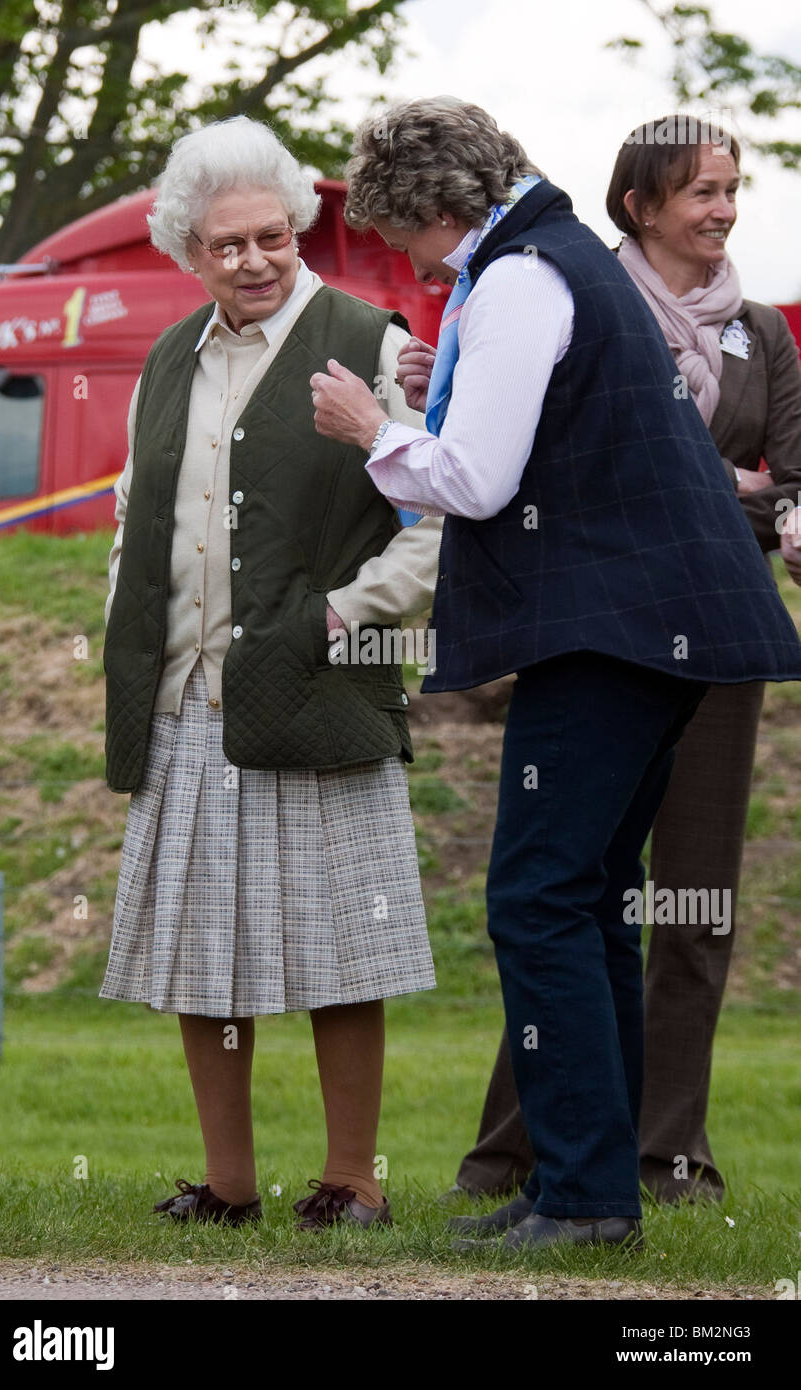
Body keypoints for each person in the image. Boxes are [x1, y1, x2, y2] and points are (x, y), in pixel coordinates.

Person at [310, 96, 801, 1253]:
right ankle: (586, 1185)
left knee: (537, 899)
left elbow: (472, 480)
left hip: (610, 629)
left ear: (440, 207)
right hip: (657, 622)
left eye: (403, 235)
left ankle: (583, 1194)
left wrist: (367, 424)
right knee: (588, 901)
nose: (407, 259)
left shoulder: (521, 278)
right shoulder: (560, 260)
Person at [446, 115, 801, 1216]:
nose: (724, 209)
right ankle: (518, 1157)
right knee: (571, 892)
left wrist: (750, 490)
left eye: (731, 189)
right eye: (700, 190)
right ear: (638, 204)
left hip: (715, 633)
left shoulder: (760, 334)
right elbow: (530, 446)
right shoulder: (569, 292)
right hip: (595, 626)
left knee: (687, 902)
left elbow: (788, 479)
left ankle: (664, 1159)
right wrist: (723, 484)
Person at [99, 114, 443, 1232]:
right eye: (224, 244)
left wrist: (349, 613)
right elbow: (131, 520)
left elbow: (438, 515)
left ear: (298, 225)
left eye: (269, 237)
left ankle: (355, 1182)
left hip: (323, 688)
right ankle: (230, 1184)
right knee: (209, 962)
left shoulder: (373, 341)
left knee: (344, 950)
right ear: (187, 252)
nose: (251, 260)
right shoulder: (166, 362)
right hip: (187, 700)